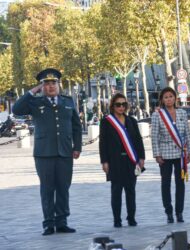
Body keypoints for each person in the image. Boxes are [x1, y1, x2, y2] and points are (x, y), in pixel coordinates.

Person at [12, 68, 82, 236]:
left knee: (63, 188)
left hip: (65, 152)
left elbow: (76, 127)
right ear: (41, 86)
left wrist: (77, 147)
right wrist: (32, 91)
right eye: (46, 83)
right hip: (44, 153)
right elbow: (16, 109)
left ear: (59, 84)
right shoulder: (36, 102)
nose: (51, 87)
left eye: (53, 83)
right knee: (47, 189)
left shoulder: (68, 101)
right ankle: (48, 223)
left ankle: (62, 221)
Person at [99, 93, 145, 228]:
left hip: (131, 161)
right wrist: (104, 161)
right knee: (116, 191)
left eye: (123, 104)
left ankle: (131, 218)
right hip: (115, 161)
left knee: (131, 191)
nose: (121, 107)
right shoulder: (107, 121)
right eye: (118, 104)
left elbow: (138, 140)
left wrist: (141, 158)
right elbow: (103, 143)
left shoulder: (132, 121)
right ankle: (117, 220)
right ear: (112, 106)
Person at [151, 87, 190, 223]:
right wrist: (157, 155)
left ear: (175, 98)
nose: (169, 99)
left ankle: (179, 212)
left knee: (180, 183)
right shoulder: (157, 115)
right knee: (166, 184)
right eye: (166, 97)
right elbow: (154, 136)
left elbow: (187, 132)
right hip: (165, 154)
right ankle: (168, 212)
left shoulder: (181, 113)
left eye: (171, 96)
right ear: (162, 100)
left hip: (180, 153)